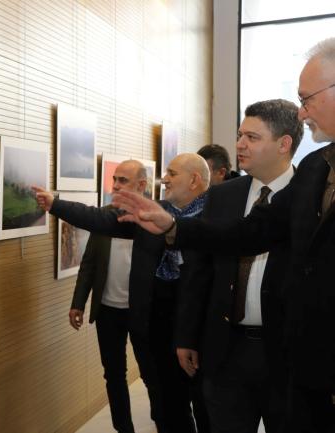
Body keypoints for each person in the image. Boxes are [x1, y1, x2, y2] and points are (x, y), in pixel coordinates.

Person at [112, 38, 335, 433]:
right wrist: (174, 226)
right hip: (265, 359)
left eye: (307, 99)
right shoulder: (318, 167)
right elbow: (252, 231)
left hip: (298, 357)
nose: (302, 112)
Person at [34, 153, 212, 433]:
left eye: (172, 173)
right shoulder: (155, 212)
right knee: (169, 407)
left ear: (194, 180)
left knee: (207, 409)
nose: (164, 178)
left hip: (202, 335)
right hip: (156, 330)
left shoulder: (218, 218)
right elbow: (99, 219)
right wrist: (56, 204)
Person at [176, 99, 303, 433]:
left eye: (251, 137)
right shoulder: (223, 196)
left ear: (283, 144)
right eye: (239, 135)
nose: (239, 145)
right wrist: (187, 335)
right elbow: (199, 271)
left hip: (288, 356)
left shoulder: (309, 198)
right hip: (225, 350)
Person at [70, 160, 147, 433]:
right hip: (108, 310)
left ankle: (164, 419)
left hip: (142, 311)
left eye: (122, 180)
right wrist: (78, 303)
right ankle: (124, 428)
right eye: (114, 179)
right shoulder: (104, 218)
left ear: (141, 185)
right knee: (114, 375)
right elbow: (89, 263)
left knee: (151, 373)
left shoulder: (153, 218)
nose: (114, 185)